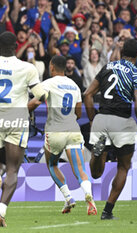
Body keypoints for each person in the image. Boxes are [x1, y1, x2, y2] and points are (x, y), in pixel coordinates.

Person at [0, 31, 47, 227]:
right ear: (16, 47)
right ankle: (1, 211)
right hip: (17, 119)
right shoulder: (27, 68)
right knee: (13, 169)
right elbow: (40, 95)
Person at [84, 39, 137, 220]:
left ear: (122, 52)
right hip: (122, 121)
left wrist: (91, 119)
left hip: (101, 118)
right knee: (124, 166)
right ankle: (107, 211)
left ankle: (98, 152)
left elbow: (87, 94)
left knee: (96, 174)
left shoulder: (107, 67)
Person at [28, 55, 97, 215]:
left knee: (52, 164)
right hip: (73, 130)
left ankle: (68, 198)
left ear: (51, 67)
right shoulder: (74, 85)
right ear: (65, 67)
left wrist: (22, 110)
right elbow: (79, 113)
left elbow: (37, 101)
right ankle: (89, 197)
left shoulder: (47, 83)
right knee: (80, 169)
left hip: (55, 132)